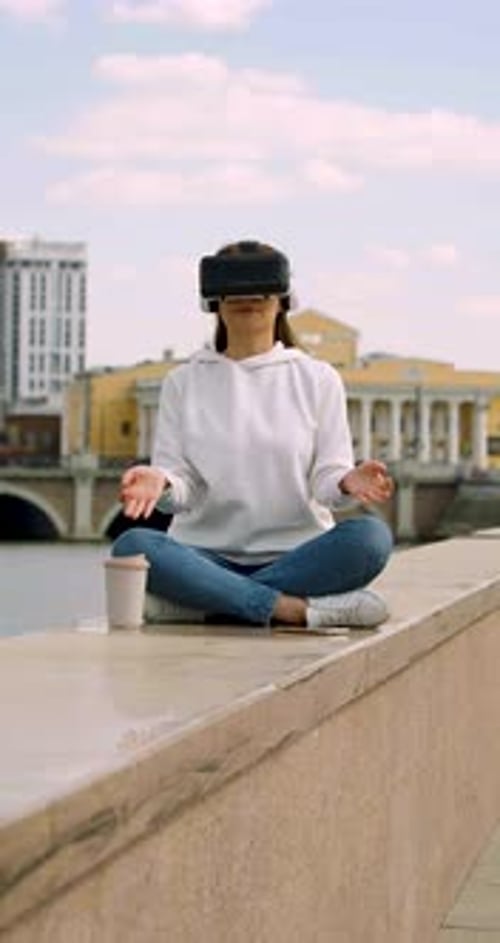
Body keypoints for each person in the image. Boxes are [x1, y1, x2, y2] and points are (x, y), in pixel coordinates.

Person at [113, 239, 394, 632]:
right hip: (205, 555)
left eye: (261, 290)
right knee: (133, 545)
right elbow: (184, 489)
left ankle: (206, 605)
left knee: (370, 538)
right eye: (234, 291)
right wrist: (160, 480)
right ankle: (292, 611)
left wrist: (347, 480)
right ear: (214, 301)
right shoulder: (184, 381)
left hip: (299, 555)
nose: (248, 300)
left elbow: (326, 482)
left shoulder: (317, 378)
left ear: (282, 299)